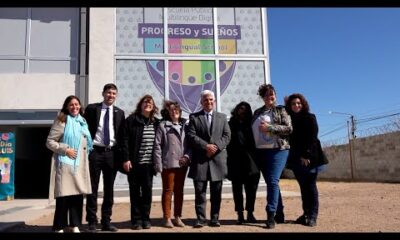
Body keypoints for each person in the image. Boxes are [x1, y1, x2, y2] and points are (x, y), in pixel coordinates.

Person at [46, 95, 93, 233]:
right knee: (64, 196)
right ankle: (59, 226)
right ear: (66, 107)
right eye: (71, 105)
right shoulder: (62, 121)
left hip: (79, 164)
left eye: (77, 104)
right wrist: (65, 150)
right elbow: (49, 141)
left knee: (77, 195)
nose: (74, 107)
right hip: (65, 163)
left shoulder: (82, 122)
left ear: (80, 106)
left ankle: (75, 225)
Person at [84, 83, 125, 232]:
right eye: (108, 93)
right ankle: (92, 222)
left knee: (109, 189)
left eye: (114, 93)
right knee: (92, 188)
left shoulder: (120, 112)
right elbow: (84, 128)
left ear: (116, 96)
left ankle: (106, 221)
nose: (111, 96)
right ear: (103, 94)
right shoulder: (91, 109)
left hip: (111, 154)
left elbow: (122, 136)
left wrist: (124, 157)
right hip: (94, 152)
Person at [187, 90, 231, 228]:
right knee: (200, 192)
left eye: (211, 99)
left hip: (218, 160)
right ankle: (200, 219)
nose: (209, 102)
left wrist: (216, 147)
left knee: (216, 193)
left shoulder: (222, 117)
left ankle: (214, 218)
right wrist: (206, 146)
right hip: (200, 160)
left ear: (214, 101)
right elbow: (191, 135)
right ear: (201, 102)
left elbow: (227, 136)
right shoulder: (194, 117)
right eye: (206, 100)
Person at [251, 84, 292, 229]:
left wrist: (269, 128)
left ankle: (271, 215)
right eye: (267, 94)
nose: (270, 97)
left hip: (278, 150)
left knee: (273, 181)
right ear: (263, 97)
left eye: (272, 94)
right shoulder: (257, 112)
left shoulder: (281, 110)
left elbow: (288, 128)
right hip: (261, 152)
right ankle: (280, 213)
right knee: (271, 183)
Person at [285, 93, 329, 227]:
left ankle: (313, 216)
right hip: (296, 158)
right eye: (293, 103)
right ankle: (305, 214)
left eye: (298, 103)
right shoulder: (289, 120)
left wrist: (306, 155)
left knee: (311, 186)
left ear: (303, 104)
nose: (296, 105)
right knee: (303, 187)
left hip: (310, 158)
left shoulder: (310, 117)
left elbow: (313, 137)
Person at [122, 94, 160, 230]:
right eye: (145, 103)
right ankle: (136, 221)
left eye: (150, 103)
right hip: (134, 163)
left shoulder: (156, 122)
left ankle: (146, 219)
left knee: (147, 193)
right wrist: (126, 159)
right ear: (140, 105)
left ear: (153, 107)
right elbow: (124, 141)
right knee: (135, 193)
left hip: (149, 165)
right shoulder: (131, 120)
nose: (147, 105)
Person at [153, 100, 191, 228]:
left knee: (179, 191)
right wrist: (158, 164)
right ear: (168, 112)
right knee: (168, 190)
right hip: (168, 163)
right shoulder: (163, 125)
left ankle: (178, 217)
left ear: (180, 112)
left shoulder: (186, 125)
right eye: (172, 110)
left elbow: (190, 144)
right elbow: (157, 146)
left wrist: (187, 156)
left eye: (177, 110)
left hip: (182, 163)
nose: (175, 112)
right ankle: (167, 217)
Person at [226, 101, 260, 225]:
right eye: (240, 108)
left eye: (245, 109)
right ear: (236, 110)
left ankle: (250, 212)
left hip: (252, 161)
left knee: (251, 189)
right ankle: (240, 213)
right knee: (237, 189)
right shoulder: (230, 124)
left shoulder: (252, 124)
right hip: (235, 161)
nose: (243, 111)